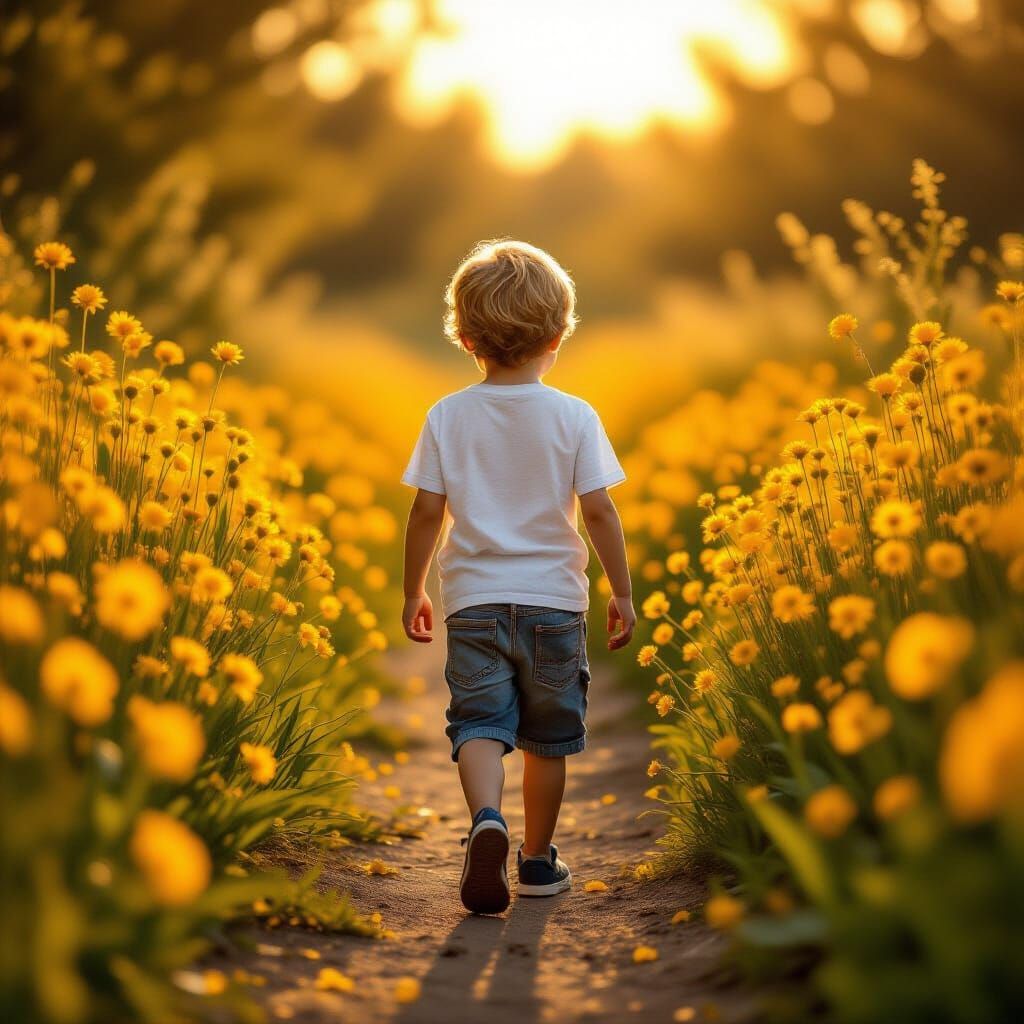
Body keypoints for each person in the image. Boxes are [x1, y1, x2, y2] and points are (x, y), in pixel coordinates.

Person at [401, 239, 635, 915]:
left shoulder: (447, 415)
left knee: (478, 723)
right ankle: (535, 861)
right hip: (554, 607)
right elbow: (599, 510)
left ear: (467, 339)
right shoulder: (574, 415)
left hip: (472, 602)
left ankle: (485, 821)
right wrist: (620, 591)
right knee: (546, 737)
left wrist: (413, 589)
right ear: (559, 335)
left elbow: (425, 510)